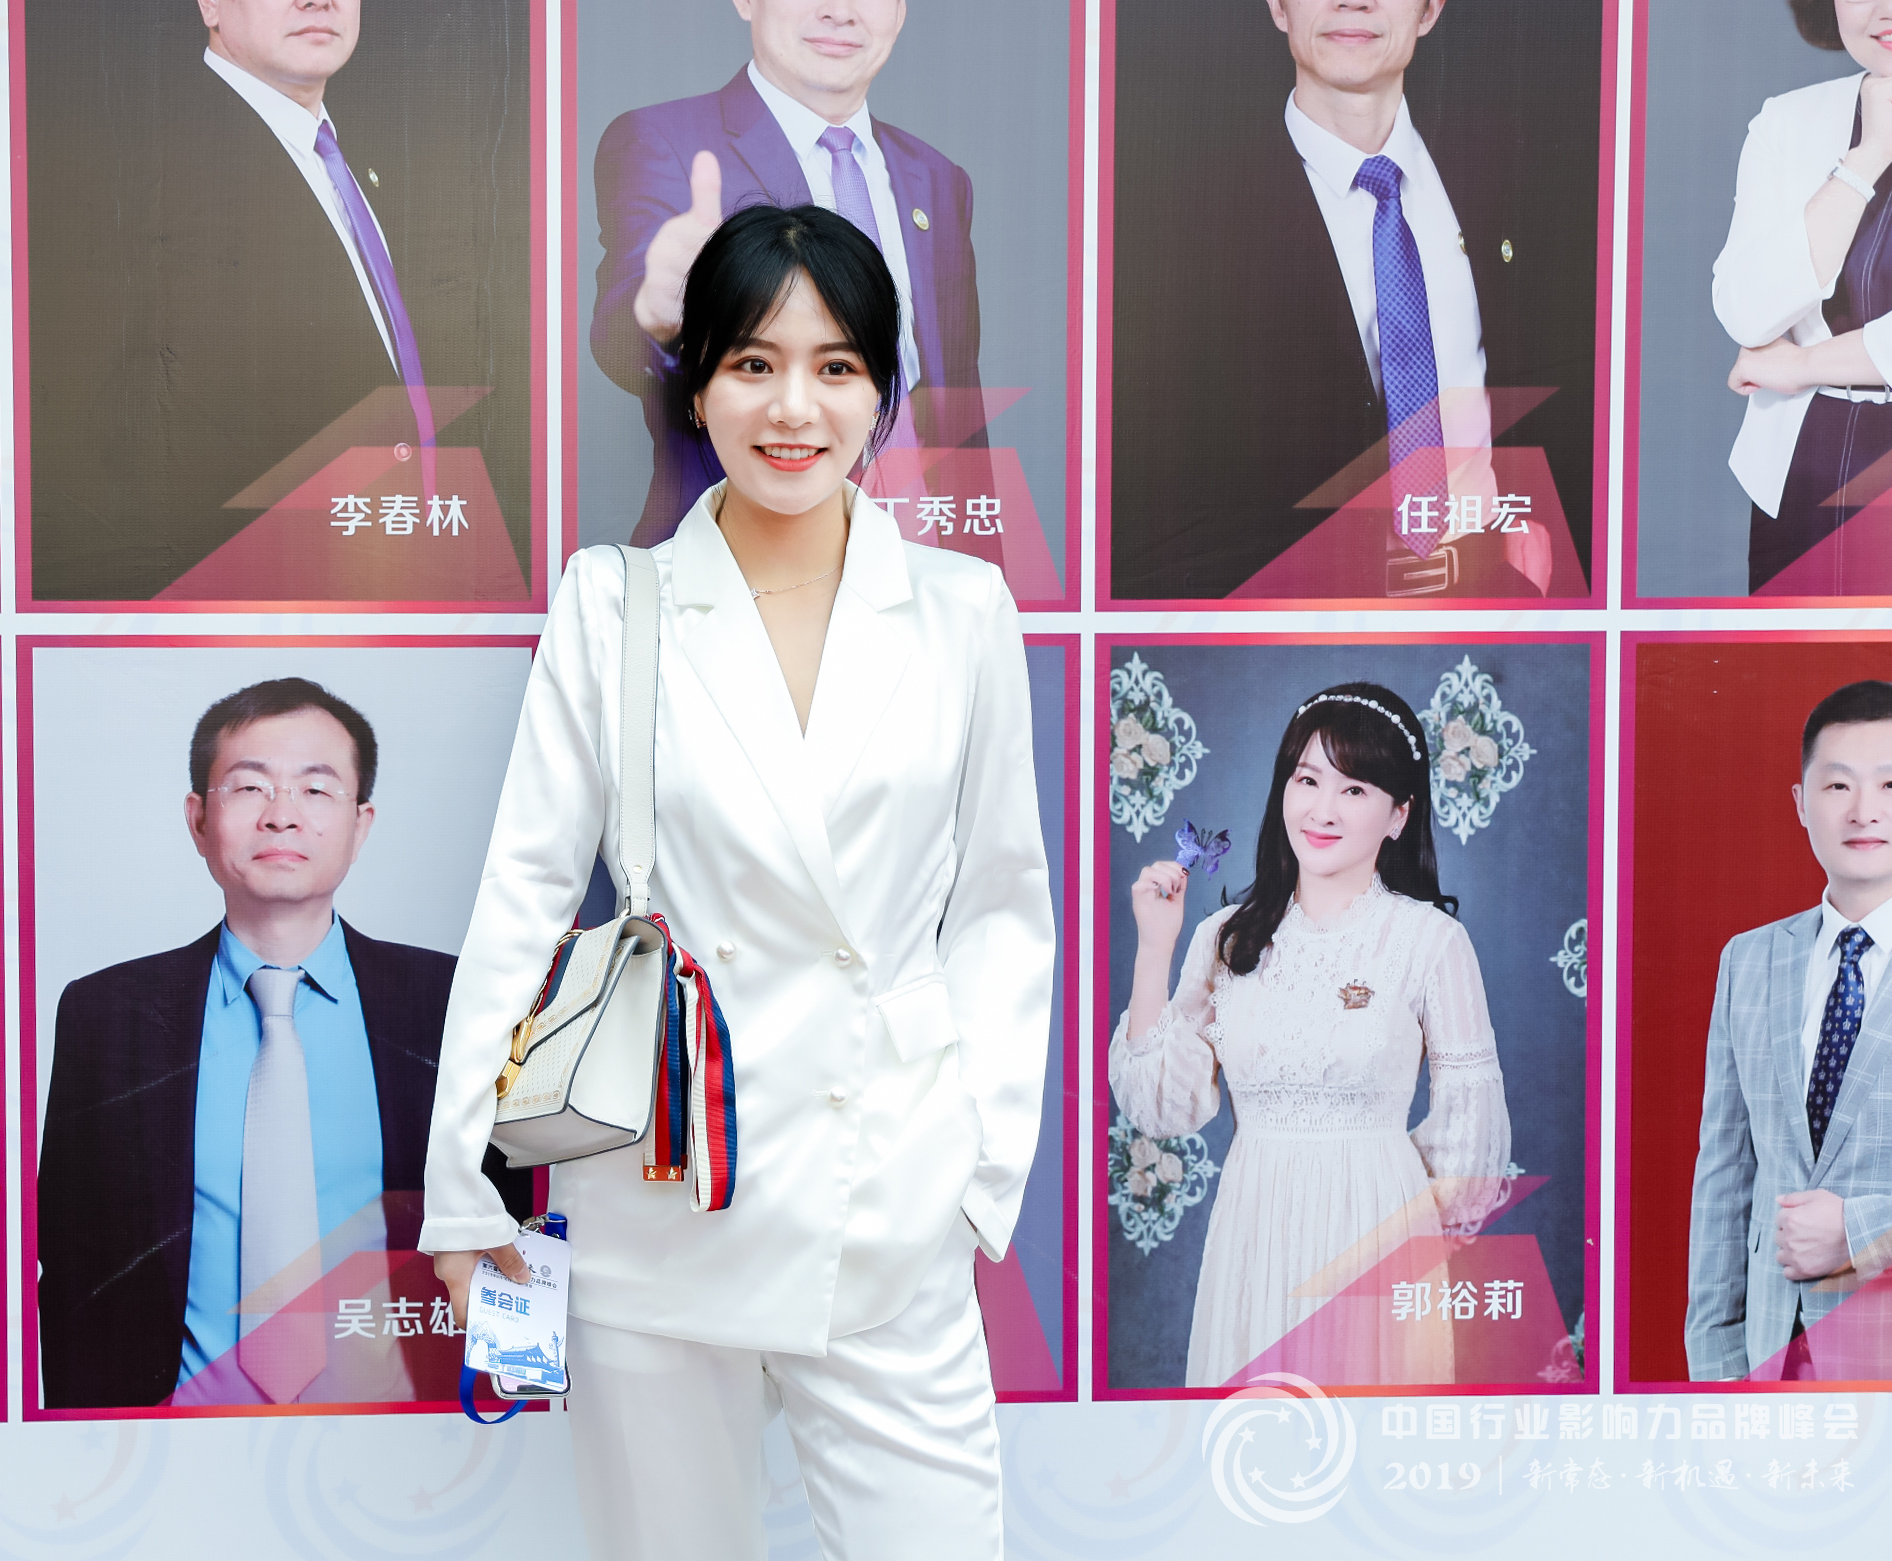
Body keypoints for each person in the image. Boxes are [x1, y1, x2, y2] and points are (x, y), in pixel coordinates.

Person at [424, 204, 1054, 1561]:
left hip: (889, 1194)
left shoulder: (959, 610)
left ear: (881, 392)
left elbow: (1003, 907)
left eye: (835, 366)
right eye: (753, 363)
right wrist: (463, 1192)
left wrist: (977, 1174)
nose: (792, 408)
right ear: (696, 383)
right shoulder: (613, 604)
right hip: (660, 1195)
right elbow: (523, 901)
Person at [38, 678, 531, 1410]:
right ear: (198, 819)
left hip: (415, 1432)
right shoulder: (107, 1013)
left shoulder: (454, 1004)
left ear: (361, 824)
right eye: (249, 787)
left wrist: (510, 1410)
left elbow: (516, 1224)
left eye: (315, 790)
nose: (281, 815)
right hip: (170, 1437)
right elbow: (72, 1260)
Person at [25, 0, 528, 602]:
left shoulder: (375, 159)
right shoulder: (132, 174)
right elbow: (84, 457)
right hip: (247, 608)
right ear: (209, 5)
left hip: (408, 578)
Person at [1111, 0, 1589, 600]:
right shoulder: (1187, 219)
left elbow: (1560, 384)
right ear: (1278, 6)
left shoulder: (1505, 175)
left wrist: (1532, 540)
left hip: (1492, 598)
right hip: (1291, 614)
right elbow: (1157, 499)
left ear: (1430, 10)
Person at [1113, 683, 1511, 1387]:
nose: (1323, 809)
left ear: (1398, 814)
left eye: (1354, 789)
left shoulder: (1430, 942)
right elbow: (1161, 1106)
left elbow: (1469, 1136)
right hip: (1253, 1231)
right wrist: (1155, 947)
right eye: (1307, 780)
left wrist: (1394, 1203)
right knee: (1255, 1443)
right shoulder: (1225, 938)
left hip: (1380, 1233)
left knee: (1370, 1437)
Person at [589, 0, 985, 545]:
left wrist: (979, 558)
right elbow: (622, 329)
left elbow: (957, 398)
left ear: (900, 11)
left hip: (918, 547)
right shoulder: (663, 140)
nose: (840, 11)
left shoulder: (937, 178)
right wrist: (656, 314)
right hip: (734, 557)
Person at [1687, 680, 1892, 1381]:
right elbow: (1724, 1175)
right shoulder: (1748, 960)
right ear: (1802, 803)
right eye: (1838, 785)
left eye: (1889, 784)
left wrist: (1859, 1232)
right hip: (1770, 1364)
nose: (1864, 811)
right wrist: (1718, 1371)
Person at [1717, 0, 1892, 593]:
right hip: (1800, 470)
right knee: (1797, 655)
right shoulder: (1787, 121)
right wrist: (1865, 160)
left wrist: (1804, 364)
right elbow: (1747, 313)